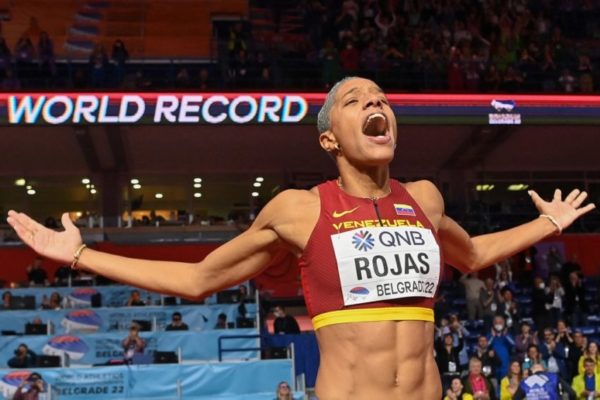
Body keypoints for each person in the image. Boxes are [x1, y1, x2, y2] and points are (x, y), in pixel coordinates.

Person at [6, 77, 595, 399]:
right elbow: (196, 279)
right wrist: (80, 253)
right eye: (356, 100)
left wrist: (548, 224)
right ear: (330, 140)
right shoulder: (299, 209)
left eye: (382, 98)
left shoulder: (426, 197)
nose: (376, 104)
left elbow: (474, 254)